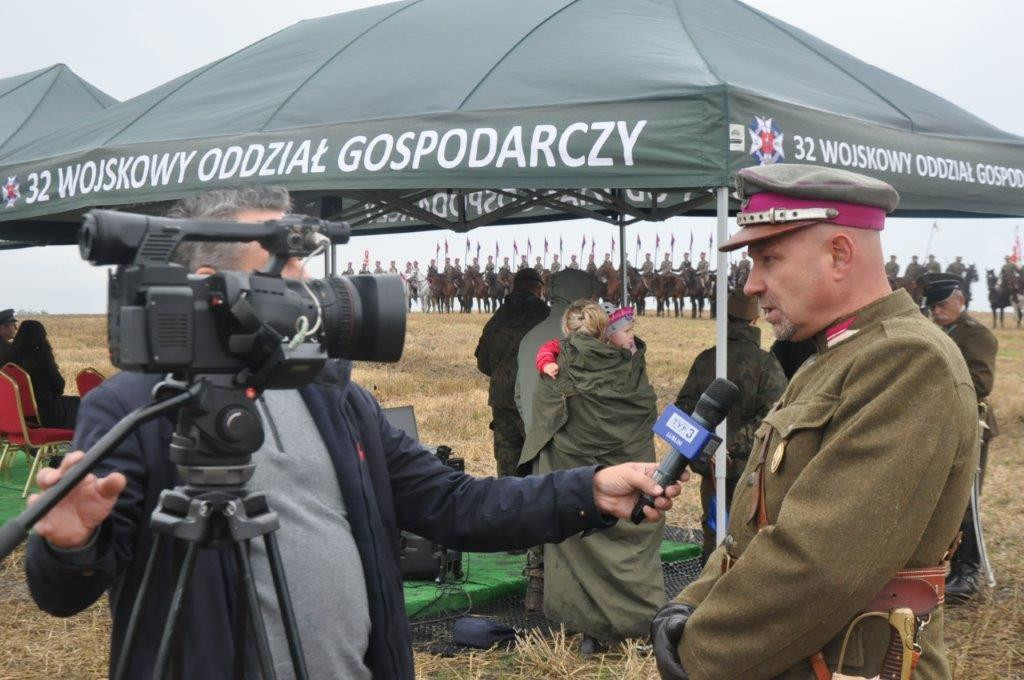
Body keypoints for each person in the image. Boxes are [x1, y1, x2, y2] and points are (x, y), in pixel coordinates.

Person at [24, 187, 683, 680]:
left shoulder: (335, 399)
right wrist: (69, 544)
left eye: (303, 270)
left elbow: (457, 506)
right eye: (282, 270)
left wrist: (588, 490)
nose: (307, 291)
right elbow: (65, 591)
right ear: (208, 287)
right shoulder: (133, 408)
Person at [652, 165, 978, 680]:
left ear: (840, 254)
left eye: (769, 259)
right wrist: (690, 606)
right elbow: (753, 534)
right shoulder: (833, 354)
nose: (752, 284)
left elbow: (820, 563)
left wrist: (701, 650)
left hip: (850, 662)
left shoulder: (909, 361)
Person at [522, 300, 663, 653]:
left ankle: (588, 631)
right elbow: (644, 408)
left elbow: (543, 420)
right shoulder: (630, 366)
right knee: (634, 534)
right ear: (607, 331)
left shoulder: (558, 369)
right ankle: (642, 621)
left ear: (567, 330)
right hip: (631, 480)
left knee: (577, 539)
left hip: (581, 481)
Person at [673, 290, 786, 565]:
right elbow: (775, 417)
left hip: (712, 471)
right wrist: (730, 447)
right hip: (753, 472)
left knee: (714, 533)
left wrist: (708, 449)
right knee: (750, 538)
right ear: (755, 321)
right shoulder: (766, 364)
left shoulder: (705, 360)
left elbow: (682, 413)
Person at [515, 269, 602, 610]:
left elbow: (519, 394)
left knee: (540, 511)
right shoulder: (586, 342)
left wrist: (535, 429)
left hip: (537, 438)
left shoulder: (531, 336)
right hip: (575, 443)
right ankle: (575, 601)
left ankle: (536, 591)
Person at [921, 273, 998, 602]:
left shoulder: (976, 335)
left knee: (965, 500)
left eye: (942, 304)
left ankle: (968, 571)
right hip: (937, 425)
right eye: (933, 306)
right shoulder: (933, 333)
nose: (937, 311)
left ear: (960, 300)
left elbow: (980, 384)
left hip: (970, 426)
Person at [474, 268, 550, 477]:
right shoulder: (546, 316)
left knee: (508, 465)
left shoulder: (497, 318)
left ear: (515, 286)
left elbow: (482, 363)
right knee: (540, 464)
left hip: (502, 400)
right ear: (538, 288)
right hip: (536, 401)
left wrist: (504, 376)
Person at [5, 319, 80, 428]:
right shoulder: (41, 357)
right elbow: (59, 386)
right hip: (46, 413)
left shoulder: (8, 360)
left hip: (19, 415)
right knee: (82, 404)